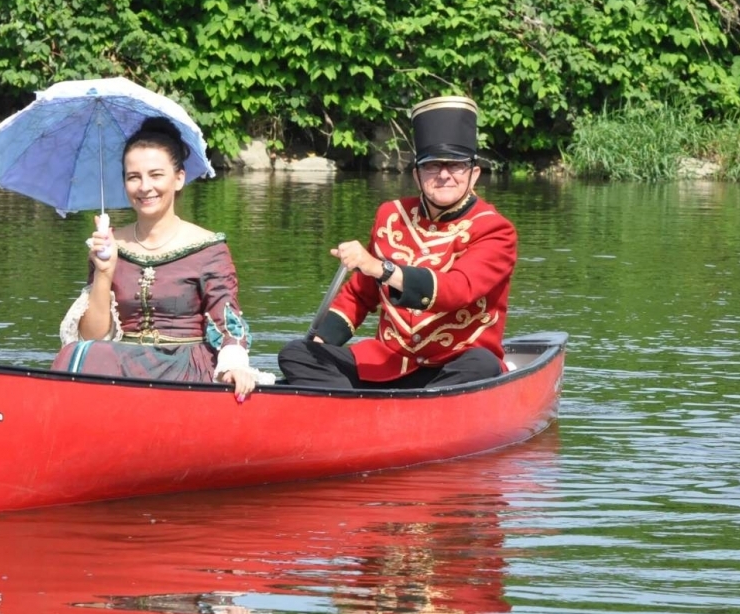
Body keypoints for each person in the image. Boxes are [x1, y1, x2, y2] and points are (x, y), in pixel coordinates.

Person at [278, 96, 516, 390]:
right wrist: (322, 341)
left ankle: (392, 411)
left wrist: (384, 270)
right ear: (417, 175)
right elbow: (361, 294)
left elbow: (458, 290)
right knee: (297, 354)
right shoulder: (391, 215)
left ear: (474, 173)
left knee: (482, 364)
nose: (444, 175)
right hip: (390, 362)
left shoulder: (495, 229)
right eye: (432, 166)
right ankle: (352, 411)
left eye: (455, 165)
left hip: (457, 362)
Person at [52, 117, 259, 399]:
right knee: (78, 352)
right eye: (133, 177)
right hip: (123, 364)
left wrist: (234, 366)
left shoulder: (208, 248)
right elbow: (94, 338)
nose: (144, 187)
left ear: (179, 178)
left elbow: (226, 319)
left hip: (185, 368)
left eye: (156, 175)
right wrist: (104, 272)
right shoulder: (109, 245)